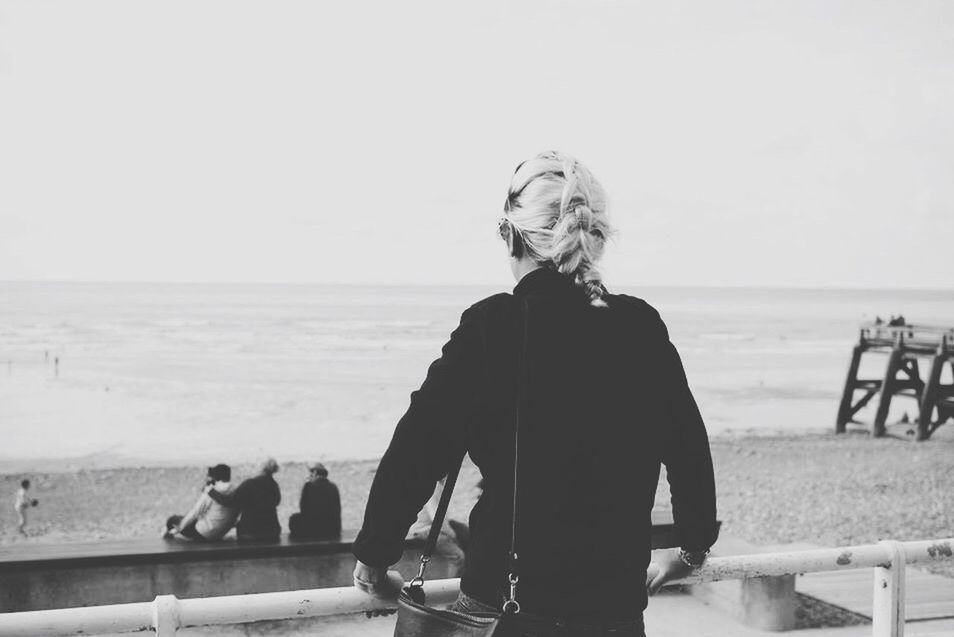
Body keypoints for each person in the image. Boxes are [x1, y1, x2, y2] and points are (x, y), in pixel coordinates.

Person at [351, 152, 718, 636]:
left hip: (503, 606)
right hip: (614, 612)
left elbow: (416, 451)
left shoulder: (493, 326)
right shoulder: (640, 325)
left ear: (509, 235)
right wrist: (690, 550)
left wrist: (374, 560)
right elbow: (688, 448)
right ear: (595, 238)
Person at [208, 457, 282, 542]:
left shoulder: (250, 484)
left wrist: (211, 492)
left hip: (251, 533)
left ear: (261, 468)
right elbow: (277, 501)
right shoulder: (274, 485)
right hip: (272, 533)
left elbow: (230, 502)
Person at [164, 464, 238, 541]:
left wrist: (179, 528)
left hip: (202, 534)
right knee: (193, 518)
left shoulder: (211, 491)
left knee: (172, 520)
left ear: (214, 477)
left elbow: (195, 512)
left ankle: (168, 536)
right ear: (229, 476)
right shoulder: (236, 491)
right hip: (220, 534)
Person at [288, 462, 342, 540]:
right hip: (333, 530)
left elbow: (303, 509)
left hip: (314, 530)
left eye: (311, 473)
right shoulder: (334, 487)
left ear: (315, 473)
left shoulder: (308, 486)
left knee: (293, 519)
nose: (310, 475)